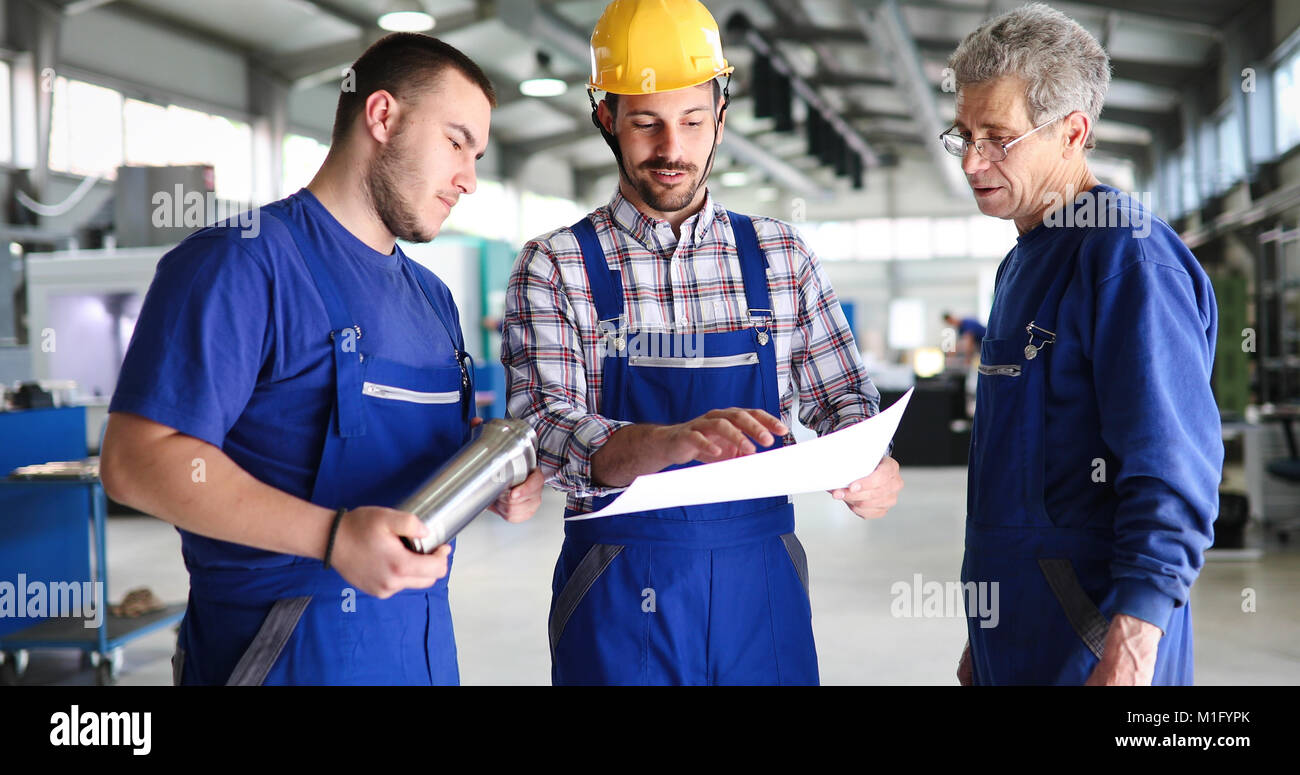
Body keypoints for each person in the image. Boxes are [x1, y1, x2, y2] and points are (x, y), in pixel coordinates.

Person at [99, 33, 543, 686]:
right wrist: (332, 537)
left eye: (476, 154)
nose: (470, 179)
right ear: (383, 116)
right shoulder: (241, 263)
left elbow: (415, 458)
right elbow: (136, 461)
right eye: (456, 142)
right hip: (280, 655)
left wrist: (487, 476)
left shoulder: (432, 299)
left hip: (417, 652)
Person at [501, 0, 903, 686]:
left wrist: (872, 460)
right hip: (619, 585)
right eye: (645, 123)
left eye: (692, 121)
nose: (672, 150)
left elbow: (842, 396)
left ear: (722, 115)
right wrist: (668, 442)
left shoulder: (781, 253)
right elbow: (544, 427)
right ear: (605, 118)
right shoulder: (556, 264)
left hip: (762, 583)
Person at [942, 4, 1221, 685]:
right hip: (1019, 635)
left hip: (1098, 643)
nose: (973, 160)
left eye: (998, 137)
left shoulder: (1127, 258)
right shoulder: (1022, 260)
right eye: (964, 135)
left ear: (1073, 132)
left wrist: (1129, 649)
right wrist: (986, 637)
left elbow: (1172, 470)